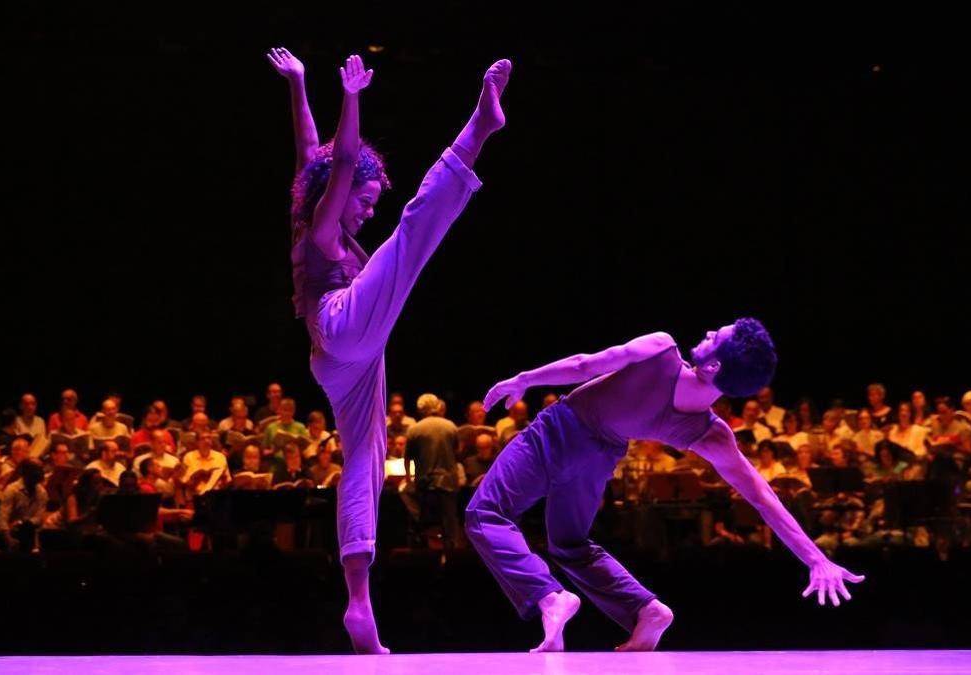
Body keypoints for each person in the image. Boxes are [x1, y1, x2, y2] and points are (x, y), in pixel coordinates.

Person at [270, 43, 511, 654]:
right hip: (342, 326)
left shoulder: (318, 219)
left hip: (337, 359)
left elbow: (312, 155)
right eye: (365, 194)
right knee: (409, 235)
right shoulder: (323, 226)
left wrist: (299, 86)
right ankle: (476, 134)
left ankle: (358, 600)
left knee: (366, 459)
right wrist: (350, 98)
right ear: (337, 193)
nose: (368, 204)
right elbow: (340, 158)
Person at [466, 320, 864, 653]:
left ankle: (548, 596)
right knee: (570, 544)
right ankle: (646, 610)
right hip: (602, 456)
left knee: (485, 514)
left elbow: (584, 365)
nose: (707, 332)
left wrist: (523, 380)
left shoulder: (661, 349)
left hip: (559, 431)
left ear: (713, 366)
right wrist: (815, 558)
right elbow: (762, 497)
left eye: (714, 337)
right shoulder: (709, 432)